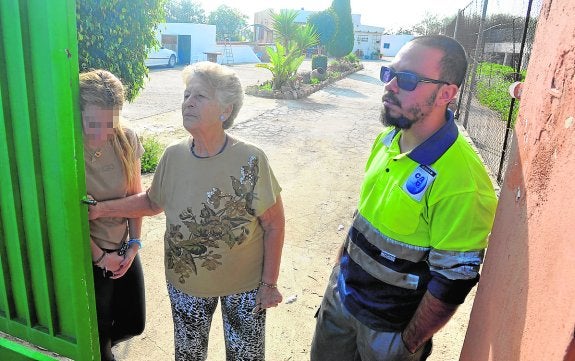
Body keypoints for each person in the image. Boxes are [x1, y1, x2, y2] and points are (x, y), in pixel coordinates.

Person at [310, 35, 498, 361]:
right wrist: (338, 273)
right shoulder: (387, 139)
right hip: (341, 300)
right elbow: (364, 214)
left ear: (447, 94)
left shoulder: (463, 181)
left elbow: (453, 278)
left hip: (389, 332)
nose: (391, 85)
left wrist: (407, 344)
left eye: (408, 79)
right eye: (389, 73)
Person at [88, 61, 285, 361]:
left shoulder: (251, 160)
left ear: (226, 110)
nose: (188, 102)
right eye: (186, 95)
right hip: (186, 286)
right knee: (189, 356)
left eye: (200, 96)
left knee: (246, 357)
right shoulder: (174, 155)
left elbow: (273, 224)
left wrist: (269, 284)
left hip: (244, 288)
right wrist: (101, 210)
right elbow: (152, 202)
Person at [80, 69, 146, 361]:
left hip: (122, 247)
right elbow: (70, 215)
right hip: (87, 254)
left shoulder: (126, 139)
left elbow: (137, 198)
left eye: (110, 123)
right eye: (93, 122)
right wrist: (101, 258)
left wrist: (134, 245)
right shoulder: (67, 146)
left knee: (135, 323)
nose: (101, 133)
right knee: (101, 336)